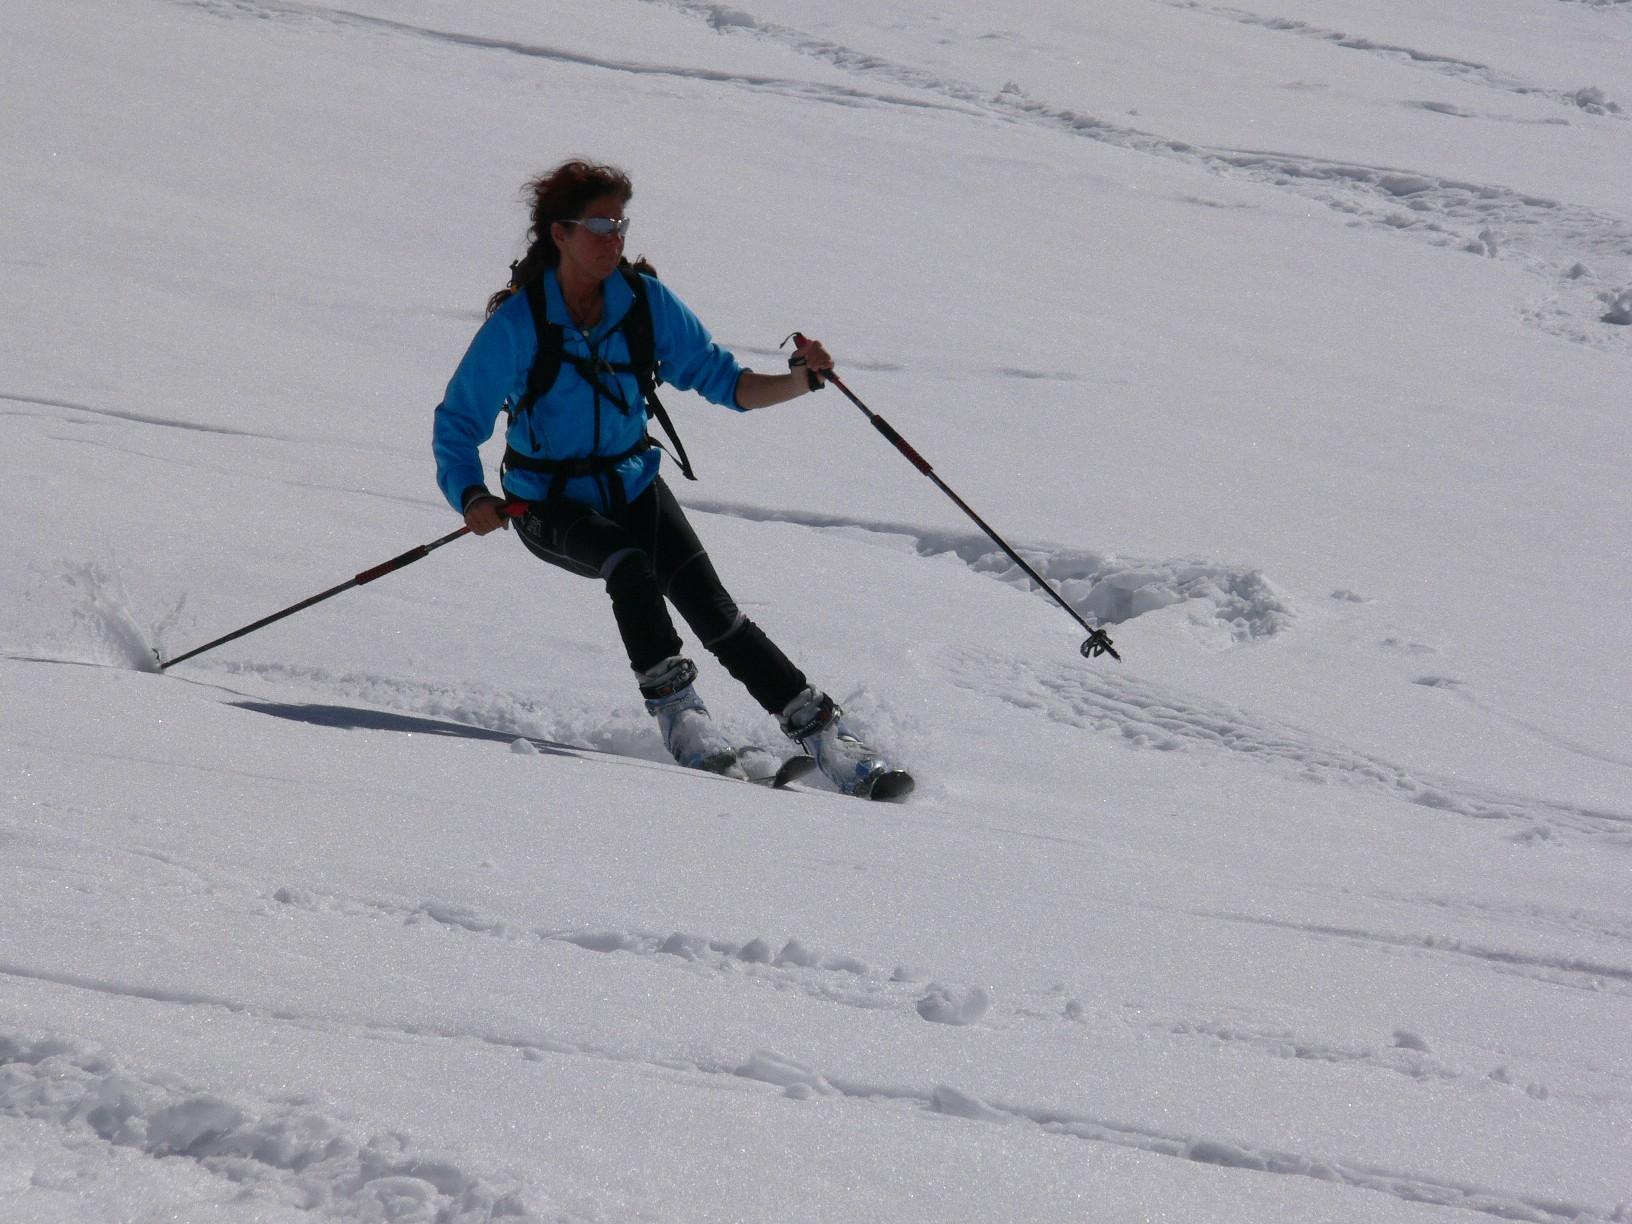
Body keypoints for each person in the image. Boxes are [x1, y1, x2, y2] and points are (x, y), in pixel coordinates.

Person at [433, 159, 911, 800]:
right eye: (599, 226)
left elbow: (729, 384)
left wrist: (803, 381)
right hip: (545, 503)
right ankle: (683, 719)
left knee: (715, 612)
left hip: (634, 485)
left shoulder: (644, 304)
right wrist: (471, 495)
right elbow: (457, 424)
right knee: (628, 565)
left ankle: (826, 737)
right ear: (560, 234)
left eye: (620, 225)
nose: (614, 239)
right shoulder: (519, 325)